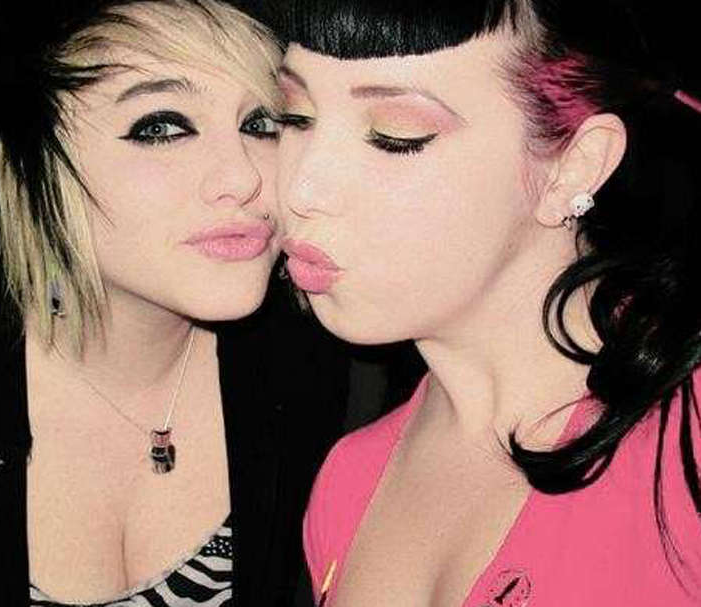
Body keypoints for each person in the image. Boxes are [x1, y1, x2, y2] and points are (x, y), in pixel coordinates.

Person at [0, 1, 349, 605]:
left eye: (263, 123)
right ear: (34, 166)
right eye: (162, 127)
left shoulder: (309, 368)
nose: (244, 177)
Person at [273, 1, 701, 605]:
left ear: (574, 167)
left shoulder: (686, 443)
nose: (299, 188)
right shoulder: (345, 480)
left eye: (395, 136)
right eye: (294, 118)